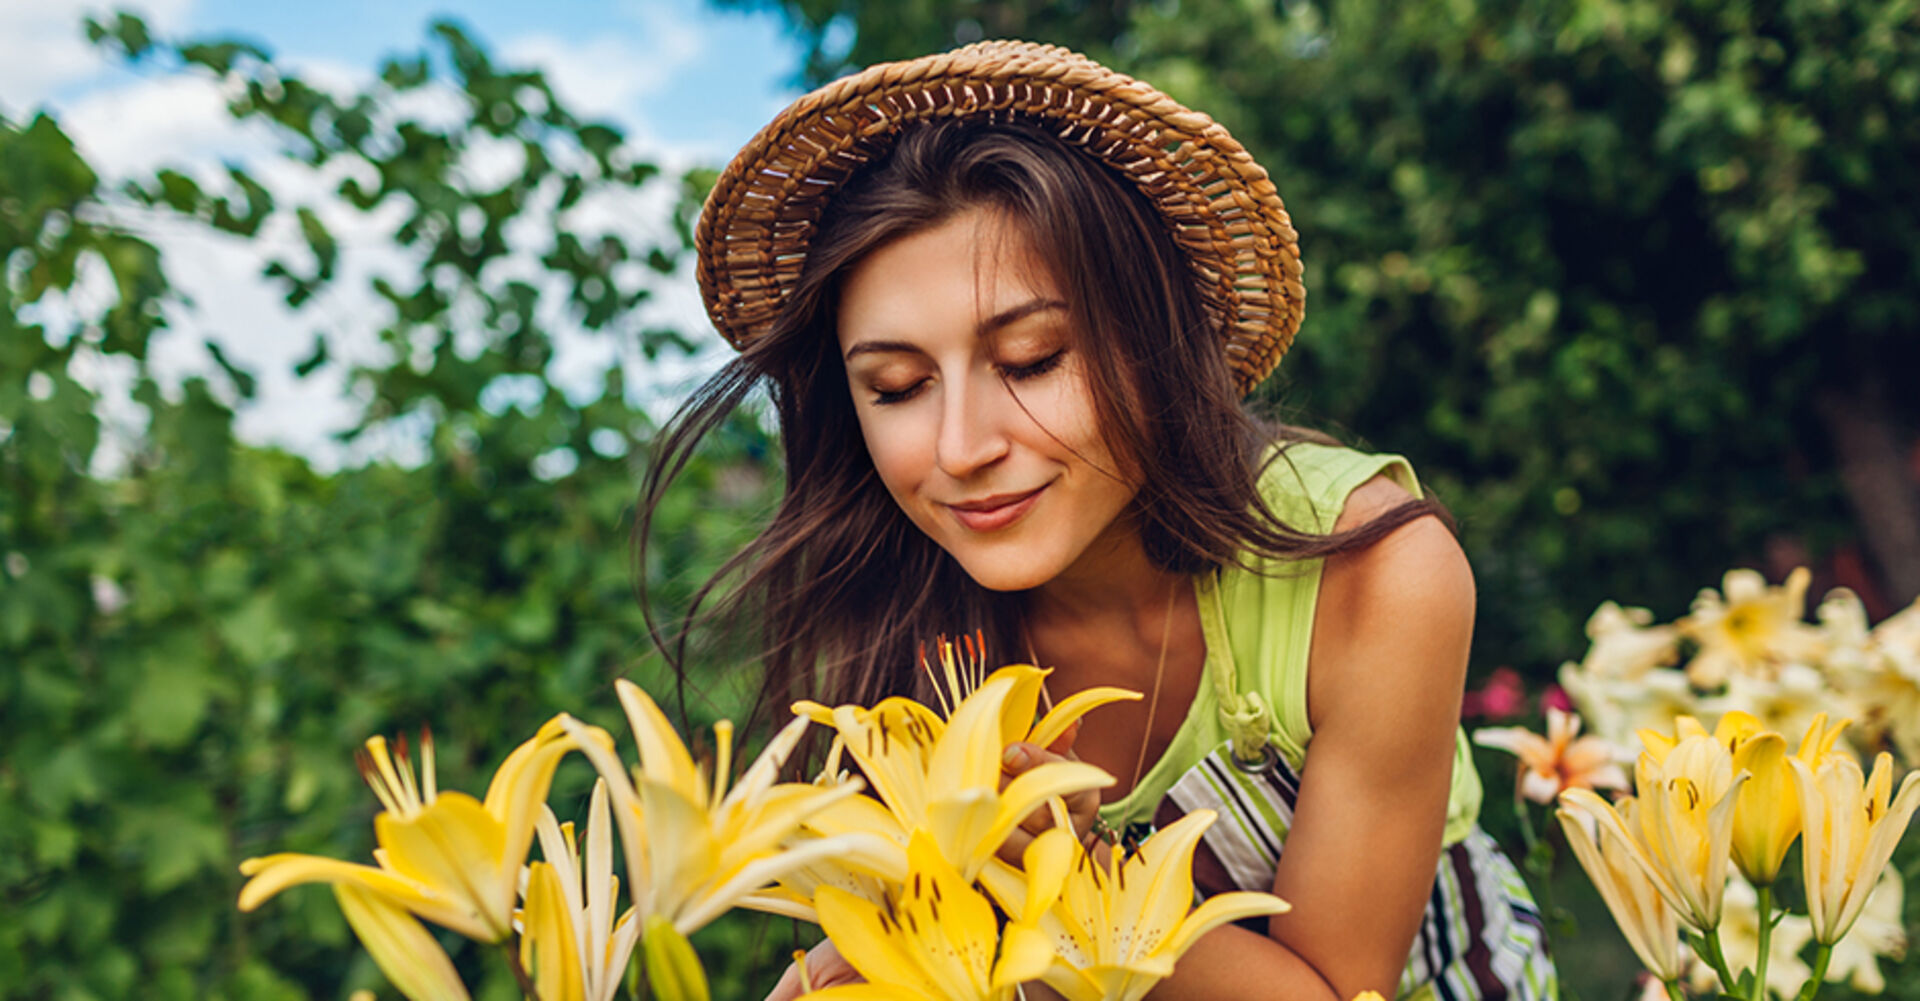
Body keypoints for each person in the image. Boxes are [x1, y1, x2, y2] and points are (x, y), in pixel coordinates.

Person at [647, 40, 1556, 1001]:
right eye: (898, 386)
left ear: (1155, 342)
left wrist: (1065, 876)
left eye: (1033, 359)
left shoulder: (1379, 572)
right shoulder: (901, 613)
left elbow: (1339, 992)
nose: (961, 447)